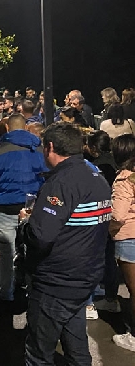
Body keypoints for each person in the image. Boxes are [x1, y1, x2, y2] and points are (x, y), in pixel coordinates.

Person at [21, 123, 112, 365]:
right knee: (77, 345)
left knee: (38, 353)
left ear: (50, 147)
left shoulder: (61, 183)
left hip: (57, 280)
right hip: (86, 276)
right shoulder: (96, 177)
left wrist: (26, 224)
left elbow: (41, 236)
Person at [0, 113, 48, 303]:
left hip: (6, 207)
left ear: (8, 128)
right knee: (31, 250)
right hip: (32, 207)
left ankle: (6, 293)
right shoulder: (38, 148)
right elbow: (47, 176)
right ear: (26, 128)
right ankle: (33, 292)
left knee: (7, 252)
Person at [108, 134, 135, 352]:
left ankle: (134, 336)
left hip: (129, 237)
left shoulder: (125, 179)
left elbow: (118, 215)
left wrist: (108, 230)